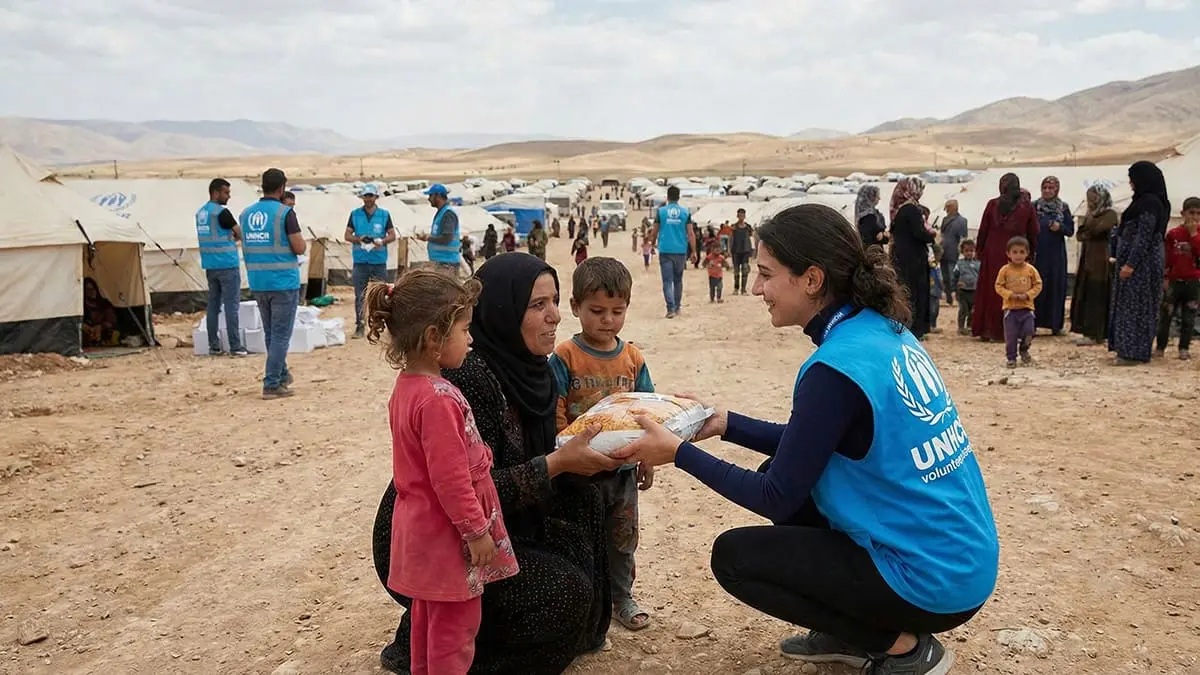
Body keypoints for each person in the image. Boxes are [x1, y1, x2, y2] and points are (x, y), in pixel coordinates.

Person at [616, 203, 998, 675]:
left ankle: (900, 646)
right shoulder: (882, 331)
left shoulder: (834, 369)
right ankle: (848, 629)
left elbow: (776, 498)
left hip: (929, 582)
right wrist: (725, 422)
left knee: (735, 559)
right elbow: (810, 444)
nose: (757, 289)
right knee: (782, 474)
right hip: (962, 561)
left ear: (812, 279)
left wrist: (680, 453)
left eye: (767, 274)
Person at [373, 253, 624, 674]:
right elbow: (464, 485)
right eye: (537, 305)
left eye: (555, 301)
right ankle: (442, 651)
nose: (555, 317)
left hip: (476, 522)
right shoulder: (463, 377)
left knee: (584, 505)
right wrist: (556, 465)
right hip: (442, 536)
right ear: (502, 312)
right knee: (563, 595)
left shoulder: (533, 370)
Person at [366, 270, 518, 674]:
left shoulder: (407, 387)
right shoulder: (438, 400)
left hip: (420, 532)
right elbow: (450, 479)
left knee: (427, 623)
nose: (470, 340)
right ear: (434, 338)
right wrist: (476, 531)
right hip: (447, 538)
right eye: (465, 329)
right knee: (457, 629)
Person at [549, 257, 656, 632]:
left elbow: (647, 411)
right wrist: (565, 453)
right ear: (576, 307)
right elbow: (556, 409)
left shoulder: (632, 358)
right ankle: (590, 603)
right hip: (580, 472)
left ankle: (622, 596)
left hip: (623, 472)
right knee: (582, 537)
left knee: (622, 537)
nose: (607, 320)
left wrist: (648, 458)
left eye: (617, 311)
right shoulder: (565, 356)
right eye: (596, 311)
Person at [240, 168, 305, 399]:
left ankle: (282, 374)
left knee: (271, 333)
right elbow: (299, 247)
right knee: (280, 335)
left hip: (258, 281)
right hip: (283, 281)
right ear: (281, 188)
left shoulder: (246, 214)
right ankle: (271, 383)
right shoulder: (285, 213)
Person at [1110, 161, 1170, 366]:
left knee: (1137, 307)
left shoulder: (1150, 203)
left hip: (1142, 265)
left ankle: (1133, 352)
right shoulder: (1145, 201)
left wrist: (1131, 264)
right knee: (1132, 304)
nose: (1130, 183)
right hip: (1138, 262)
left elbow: (1144, 236)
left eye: (1133, 178)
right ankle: (1129, 349)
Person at [973, 174, 1039, 342]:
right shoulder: (1026, 207)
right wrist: (1030, 253)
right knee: (1013, 288)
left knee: (993, 289)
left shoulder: (993, 204)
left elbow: (983, 231)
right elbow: (1034, 232)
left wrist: (979, 251)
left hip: (992, 252)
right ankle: (1012, 331)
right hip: (1016, 253)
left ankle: (989, 330)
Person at [196, 178, 247, 356]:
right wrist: (234, 236)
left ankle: (214, 346)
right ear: (216, 193)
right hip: (227, 263)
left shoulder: (201, 213)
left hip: (210, 265)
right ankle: (235, 346)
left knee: (213, 306)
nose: (229, 196)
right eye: (226, 193)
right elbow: (240, 233)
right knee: (231, 306)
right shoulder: (222, 213)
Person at [346, 183, 396, 339]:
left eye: (371, 196)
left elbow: (392, 235)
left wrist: (382, 241)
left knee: (379, 295)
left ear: (376, 197)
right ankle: (359, 325)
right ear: (362, 197)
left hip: (378, 260)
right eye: (365, 196)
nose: (368, 199)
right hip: (360, 260)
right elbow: (347, 235)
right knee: (359, 295)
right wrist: (358, 239)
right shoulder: (355, 214)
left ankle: (378, 324)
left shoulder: (384, 214)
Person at [1070, 185, 1119, 346]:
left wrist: (1088, 230)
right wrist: (1088, 230)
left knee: (1097, 294)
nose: (1091, 202)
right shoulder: (1091, 213)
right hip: (1088, 256)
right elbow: (1080, 234)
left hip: (1100, 258)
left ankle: (1097, 332)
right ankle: (1088, 330)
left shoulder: (1110, 214)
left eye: (1093, 198)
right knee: (1087, 292)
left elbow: (1099, 229)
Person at [889, 177, 936, 339]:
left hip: (902, 256)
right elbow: (919, 233)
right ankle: (916, 329)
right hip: (913, 258)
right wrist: (932, 236)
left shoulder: (899, 209)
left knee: (907, 291)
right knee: (916, 292)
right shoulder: (911, 209)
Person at [1155, 196, 1200, 360]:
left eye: (1198, 214)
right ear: (1183, 213)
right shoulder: (1174, 234)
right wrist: (1165, 277)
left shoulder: (1199, 234)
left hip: (1193, 281)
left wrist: (1194, 234)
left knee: (1189, 317)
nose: (1194, 217)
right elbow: (1167, 257)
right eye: (1191, 213)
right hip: (1174, 280)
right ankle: (1160, 346)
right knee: (1166, 314)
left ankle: (1184, 347)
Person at [1032, 176, 1074, 335]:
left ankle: (1056, 325)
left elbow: (1070, 230)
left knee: (1056, 287)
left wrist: (1060, 227)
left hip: (1056, 255)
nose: (1047, 191)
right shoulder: (1035, 206)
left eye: (1051, 188)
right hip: (1039, 253)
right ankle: (1033, 324)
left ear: (1057, 189)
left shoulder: (1063, 208)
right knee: (1037, 286)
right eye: (1045, 188)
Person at [994, 237, 1043, 368]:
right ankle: (1011, 358)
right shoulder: (1004, 270)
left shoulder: (1031, 270)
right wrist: (1010, 295)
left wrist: (1028, 295)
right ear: (1008, 254)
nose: (1018, 255)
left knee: (1029, 331)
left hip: (1027, 309)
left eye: (1022, 252)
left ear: (1027, 253)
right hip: (1010, 310)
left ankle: (1024, 349)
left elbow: (1038, 285)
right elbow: (998, 286)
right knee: (1011, 336)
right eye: (1014, 252)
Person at [651, 186, 693, 318]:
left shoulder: (661, 212)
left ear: (667, 197)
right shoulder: (685, 212)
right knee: (678, 280)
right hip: (680, 250)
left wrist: (652, 244)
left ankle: (670, 309)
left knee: (667, 281)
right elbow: (691, 233)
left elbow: (655, 230)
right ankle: (678, 307)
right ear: (678, 196)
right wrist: (694, 251)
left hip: (665, 249)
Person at [416, 184, 460, 276]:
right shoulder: (441, 213)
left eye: (431, 196)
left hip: (447, 264)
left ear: (438, 196)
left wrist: (428, 238)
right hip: (441, 262)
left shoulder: (447, 214)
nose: (429, 199)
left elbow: (447, 238)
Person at [939, 200, 968, 307]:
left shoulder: (962, 221)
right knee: (945, 277)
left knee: (953, 277)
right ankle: (948, 299)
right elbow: (942, 235)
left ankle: (957, 298)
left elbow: (962, 238)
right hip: (943, 252)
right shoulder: (944, 220)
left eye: (948, 207)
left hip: (954, 252)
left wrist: (961, 252)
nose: (946, 210)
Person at [952, 239, 981, 336]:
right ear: (962, 252)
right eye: (966, 251)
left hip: (974, 291)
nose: (969, 253)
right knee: (963, 310)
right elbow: (955, 276)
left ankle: (969, 326)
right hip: (963, 291)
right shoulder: (959, 264)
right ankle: (961, 327)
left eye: (971, 251)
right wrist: (954, 288)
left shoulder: (978, 264)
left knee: (972, 311)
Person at [82, 278, 120, 347]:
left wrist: (101, 327)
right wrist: (86, 327)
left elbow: (112, 321)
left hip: (103, 332)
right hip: (89, 334)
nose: (92, 291)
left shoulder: (104, 303)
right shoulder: (81, 306)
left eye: (94, 289)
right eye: (88, 290)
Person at [854, 184, 888, 249]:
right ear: (871, 197)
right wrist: (884, 236)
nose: (879, 198)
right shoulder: (868, 217)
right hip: (873, 254)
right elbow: (869, 240)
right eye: (877, 196)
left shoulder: (867, 214)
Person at [730, 208, 755, 295]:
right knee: (736, 271)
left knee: (745, 270)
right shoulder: (734, 227)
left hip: (745, 251)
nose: (741, 217)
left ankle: (743, 289)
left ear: (744, 216)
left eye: (742, 215)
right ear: (737, 216)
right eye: (740, 215)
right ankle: (736, 288)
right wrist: (729, 250)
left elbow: (751, 239)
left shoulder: (748, 227)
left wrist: (752, 250)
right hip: (736, 251)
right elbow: (731, 239)